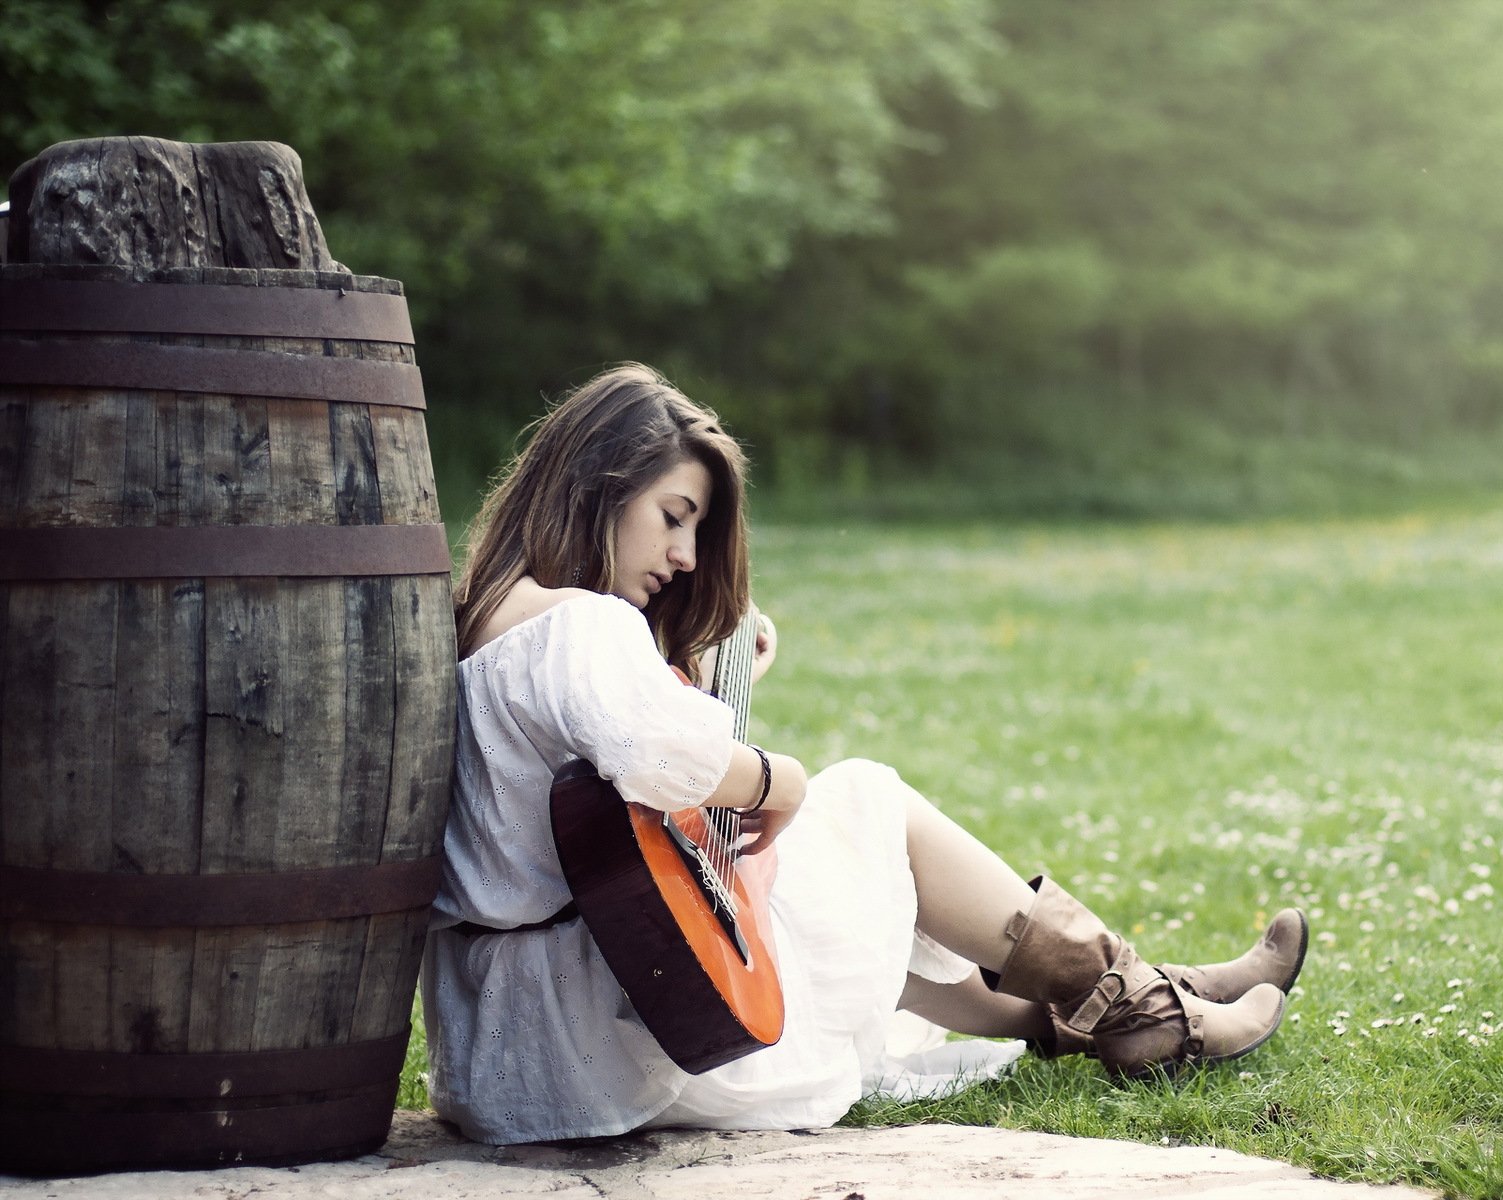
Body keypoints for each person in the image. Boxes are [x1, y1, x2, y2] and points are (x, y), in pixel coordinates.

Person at [423, 363, 1309, 1144]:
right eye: (674, 517)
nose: (686, 556)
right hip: (610, 1039)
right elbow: (664, 758)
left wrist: (717, 694)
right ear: (599, 484)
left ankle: (1134, 999)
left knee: (830, 880)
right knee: (867, 803)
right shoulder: (582, 626)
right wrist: (784, 779)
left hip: (512, 1049)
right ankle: (1140, 1006)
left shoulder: (489, 614)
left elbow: (618, 815)